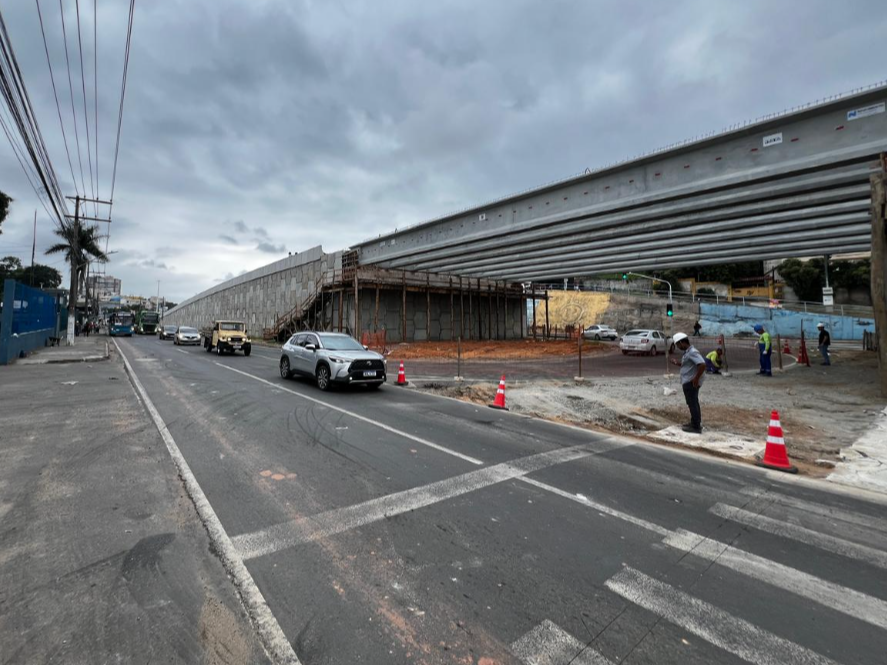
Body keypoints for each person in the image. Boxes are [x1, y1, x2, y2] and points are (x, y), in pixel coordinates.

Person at [670, 332, 706, 433]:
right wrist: (678, 363)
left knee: (692, 403)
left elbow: (702, 365)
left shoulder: (692, 352)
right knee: (693, 402)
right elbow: (689, 365)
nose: (678, 347)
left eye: (678, 345)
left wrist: (696, 378)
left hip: (691, 382)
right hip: (688, 380)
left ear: (682, 342)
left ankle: (695, 426)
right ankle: (694, 422)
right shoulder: (687, 352)